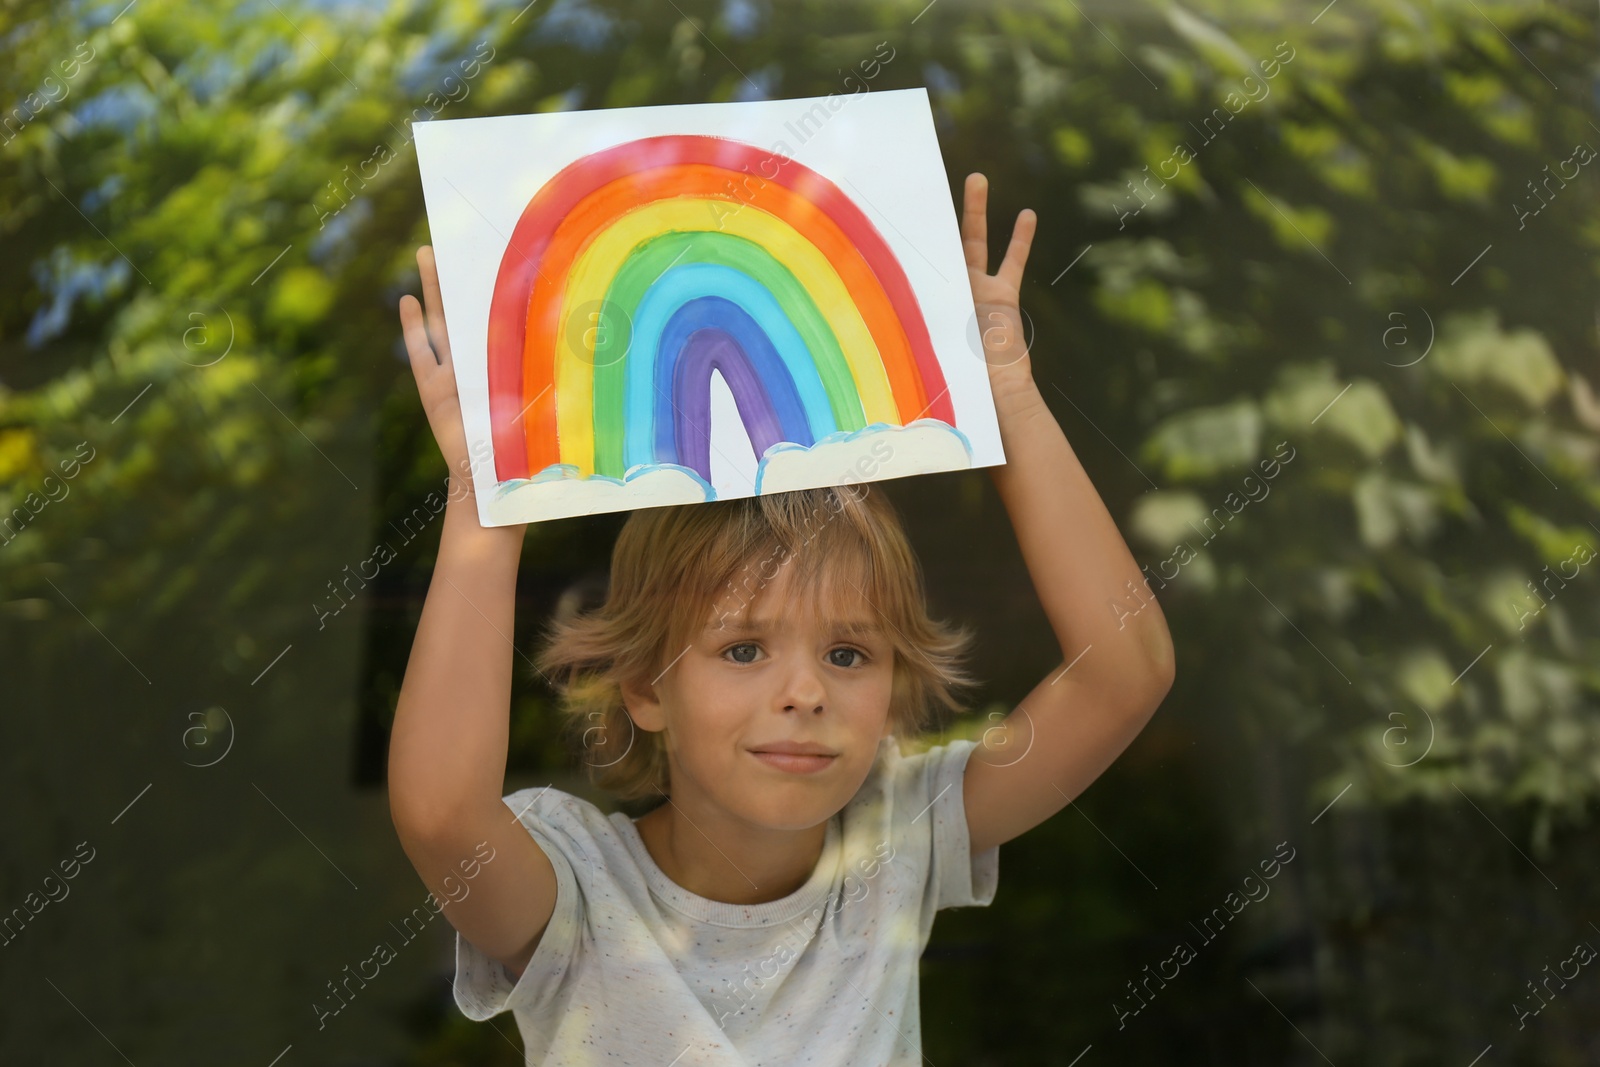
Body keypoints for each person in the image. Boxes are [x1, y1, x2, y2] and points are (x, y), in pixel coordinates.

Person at [388, 172, 1176, 1064]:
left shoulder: (897, 834)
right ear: (648, 685)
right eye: (744, 647)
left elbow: (1125, 673)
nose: (804, 691)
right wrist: (482, 504)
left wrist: (1010, 404)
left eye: (847, 652)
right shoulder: (577, 888)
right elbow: (443, 812)